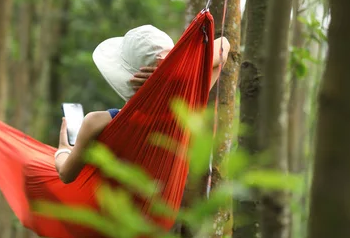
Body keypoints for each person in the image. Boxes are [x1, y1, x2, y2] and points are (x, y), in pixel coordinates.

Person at [54, 25, 230, 183]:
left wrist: (63, 150)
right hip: (163, 213)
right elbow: (224, 45)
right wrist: (172, 72)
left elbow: (66, 175)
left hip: (116, 212)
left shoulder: (97, 123)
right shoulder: (188, 105)